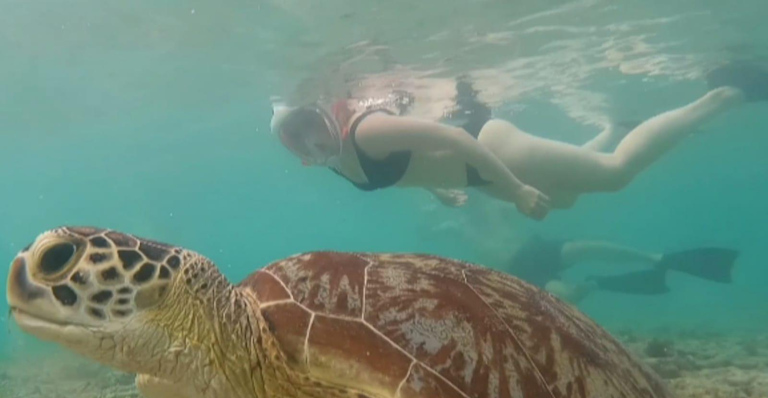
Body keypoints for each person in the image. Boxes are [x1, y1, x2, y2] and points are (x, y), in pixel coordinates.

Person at [270, 66, 755, 216]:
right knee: (564, 197)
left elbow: (453, 137)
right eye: (296, 141)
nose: (309, 143)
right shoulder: (334, 158)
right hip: (477, 175)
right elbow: (405, 170)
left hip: (493, 148)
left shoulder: (368, 131)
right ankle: (615, 124)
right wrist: (439, 189)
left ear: (327, 111)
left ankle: (721, 96)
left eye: (308, 127)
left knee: (615, 174)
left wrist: (518, 190)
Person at [506, 235, 740, 304]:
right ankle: (597, 282)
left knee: (583, 248)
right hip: (516, 273)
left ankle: (658, 259)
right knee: (568, 297)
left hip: (530, 249)